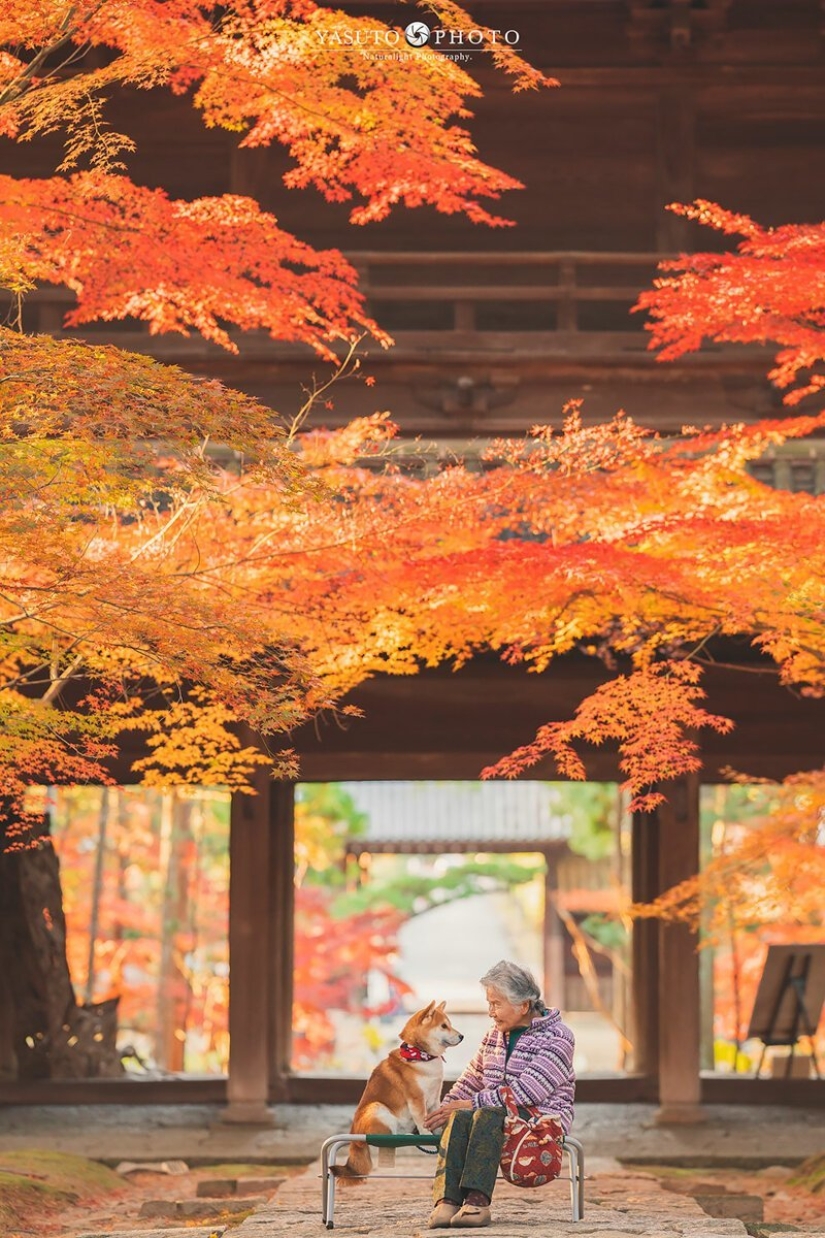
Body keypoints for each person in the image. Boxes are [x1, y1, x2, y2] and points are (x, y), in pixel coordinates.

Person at [422, 959, 575, 1229]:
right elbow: (471, 1079)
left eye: (496, 1004)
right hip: (493, 1115)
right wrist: (444, 1110)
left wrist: (470, 1103)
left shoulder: (558, 1037)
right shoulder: (494, 1035)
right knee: (462, 1116)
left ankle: (477, 1202)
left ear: (523, 1006)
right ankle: (447, 1201)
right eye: (489, 1003)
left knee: (486, 1114)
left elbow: (528, 1092)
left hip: (540, 1119)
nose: (491, 1012)